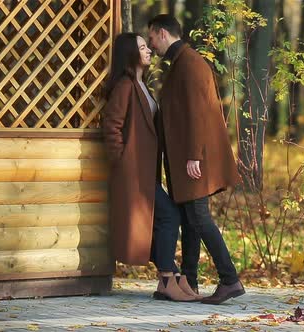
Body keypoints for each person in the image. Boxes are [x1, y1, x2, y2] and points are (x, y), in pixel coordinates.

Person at [148, 14, 245, 305]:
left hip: (194, 160)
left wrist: (193, 155)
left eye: (151, 38)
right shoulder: (182, 63)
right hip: (187, 160)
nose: (151, 45)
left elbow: (198, 113)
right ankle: (188, 280)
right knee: (191, 220)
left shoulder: (190, 64)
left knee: (199, 219)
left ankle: (230, 279)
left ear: (162, 33)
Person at [101, 32, 199, 302]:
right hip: (133, 173)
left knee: (161, 219)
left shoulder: (141, 84)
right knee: (170, 216)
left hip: (145, 172)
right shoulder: (124, 86)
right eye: (142, 47)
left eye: (147, 46)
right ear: (130, 54)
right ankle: (168, 277)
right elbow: (112, 126)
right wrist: (122, 161)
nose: (149, 51)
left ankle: (168, 279)